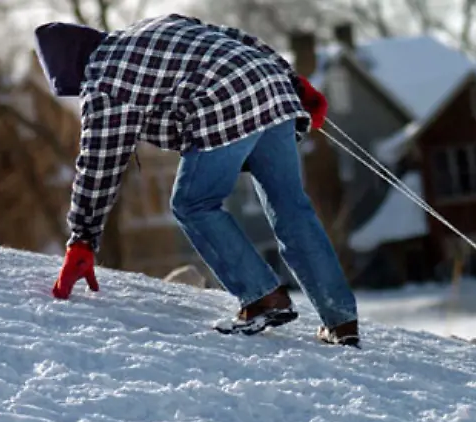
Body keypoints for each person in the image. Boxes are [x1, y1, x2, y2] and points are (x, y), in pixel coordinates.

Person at [35, 14, 360, 347]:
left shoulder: (103, 79)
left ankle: (263, 298)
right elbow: (234, 35)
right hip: (271, 87)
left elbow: (98, 164)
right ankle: (341, 321)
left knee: (193, 203)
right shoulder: (155, 25)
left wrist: (82, 238)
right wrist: (293, 82)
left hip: (225, 100)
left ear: (73, 71)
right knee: (291, 208)